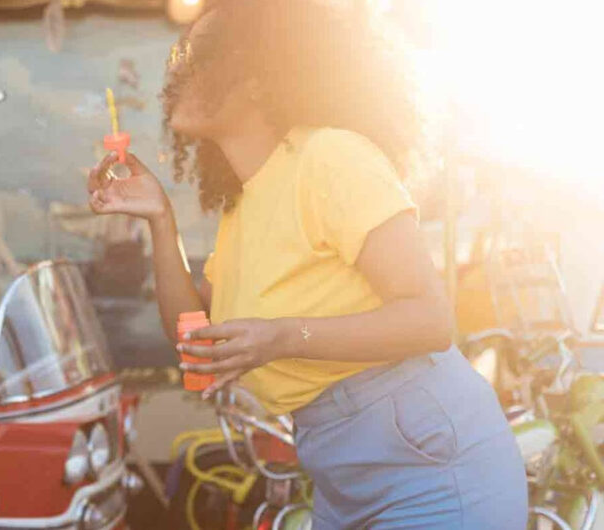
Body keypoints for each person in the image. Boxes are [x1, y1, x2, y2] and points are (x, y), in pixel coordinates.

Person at [86, 1, 527, 527]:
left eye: (197, 53)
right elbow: (198, 342)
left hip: (430, 464)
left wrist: (282, 337)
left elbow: (430, 320)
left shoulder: (331, 157)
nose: (177, 66)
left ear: (254, 77)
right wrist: (160, 219)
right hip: (341, 469)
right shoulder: (246, 203)